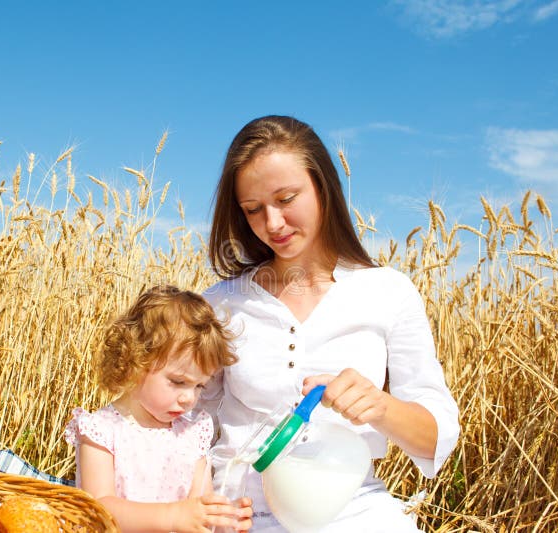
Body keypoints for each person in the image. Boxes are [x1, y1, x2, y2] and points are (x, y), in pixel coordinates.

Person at [202, 115, 460, 532]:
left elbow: (435, 438)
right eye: (253, 209)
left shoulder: (388, 292)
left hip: (353, 511)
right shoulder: (217, 305)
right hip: (242, 516)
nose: (272, 224)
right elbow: (183, 423)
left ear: (323, 187)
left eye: (286, 199)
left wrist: (380, 406)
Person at [64, 285, 254, 532]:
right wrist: (171, 517)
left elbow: (199, 503)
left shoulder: (193, 433)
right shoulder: (102, 430)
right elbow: (98, 508)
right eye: (178, 382)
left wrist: (220, 518)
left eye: (199, 386)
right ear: (135, 361)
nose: (189, 398)